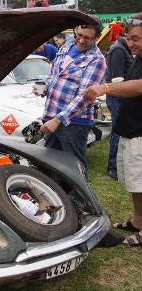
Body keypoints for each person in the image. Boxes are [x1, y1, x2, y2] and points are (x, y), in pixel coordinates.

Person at [81, 14, 142, 247]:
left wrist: (105, 87)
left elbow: (138, 86)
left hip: (140, 133)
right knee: (136, 184)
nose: (130, 43)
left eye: (135, 38)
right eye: (129, 37)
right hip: (131, 130)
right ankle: (138, 220)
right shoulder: (137, 57)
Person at [35, 23, 106, 174]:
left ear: (97, 37)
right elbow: (55, 74)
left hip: (75, 123)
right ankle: (55, 196)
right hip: (52, 117)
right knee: (50, 166)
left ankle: (78, 198)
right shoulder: (66, 47)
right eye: (79, 35)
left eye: (87, 38)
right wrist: (45, 87)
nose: (80, 41)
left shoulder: (96, 60)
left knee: (73, 170)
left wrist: (58, 120)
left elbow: (85, 97)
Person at [104, 31, 134, 180]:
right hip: (117, 97)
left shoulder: (126, 49)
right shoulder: (118, 50)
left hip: (124, 97)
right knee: (117, 131)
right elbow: (117, 79)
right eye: (132, 38)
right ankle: (113, 167)